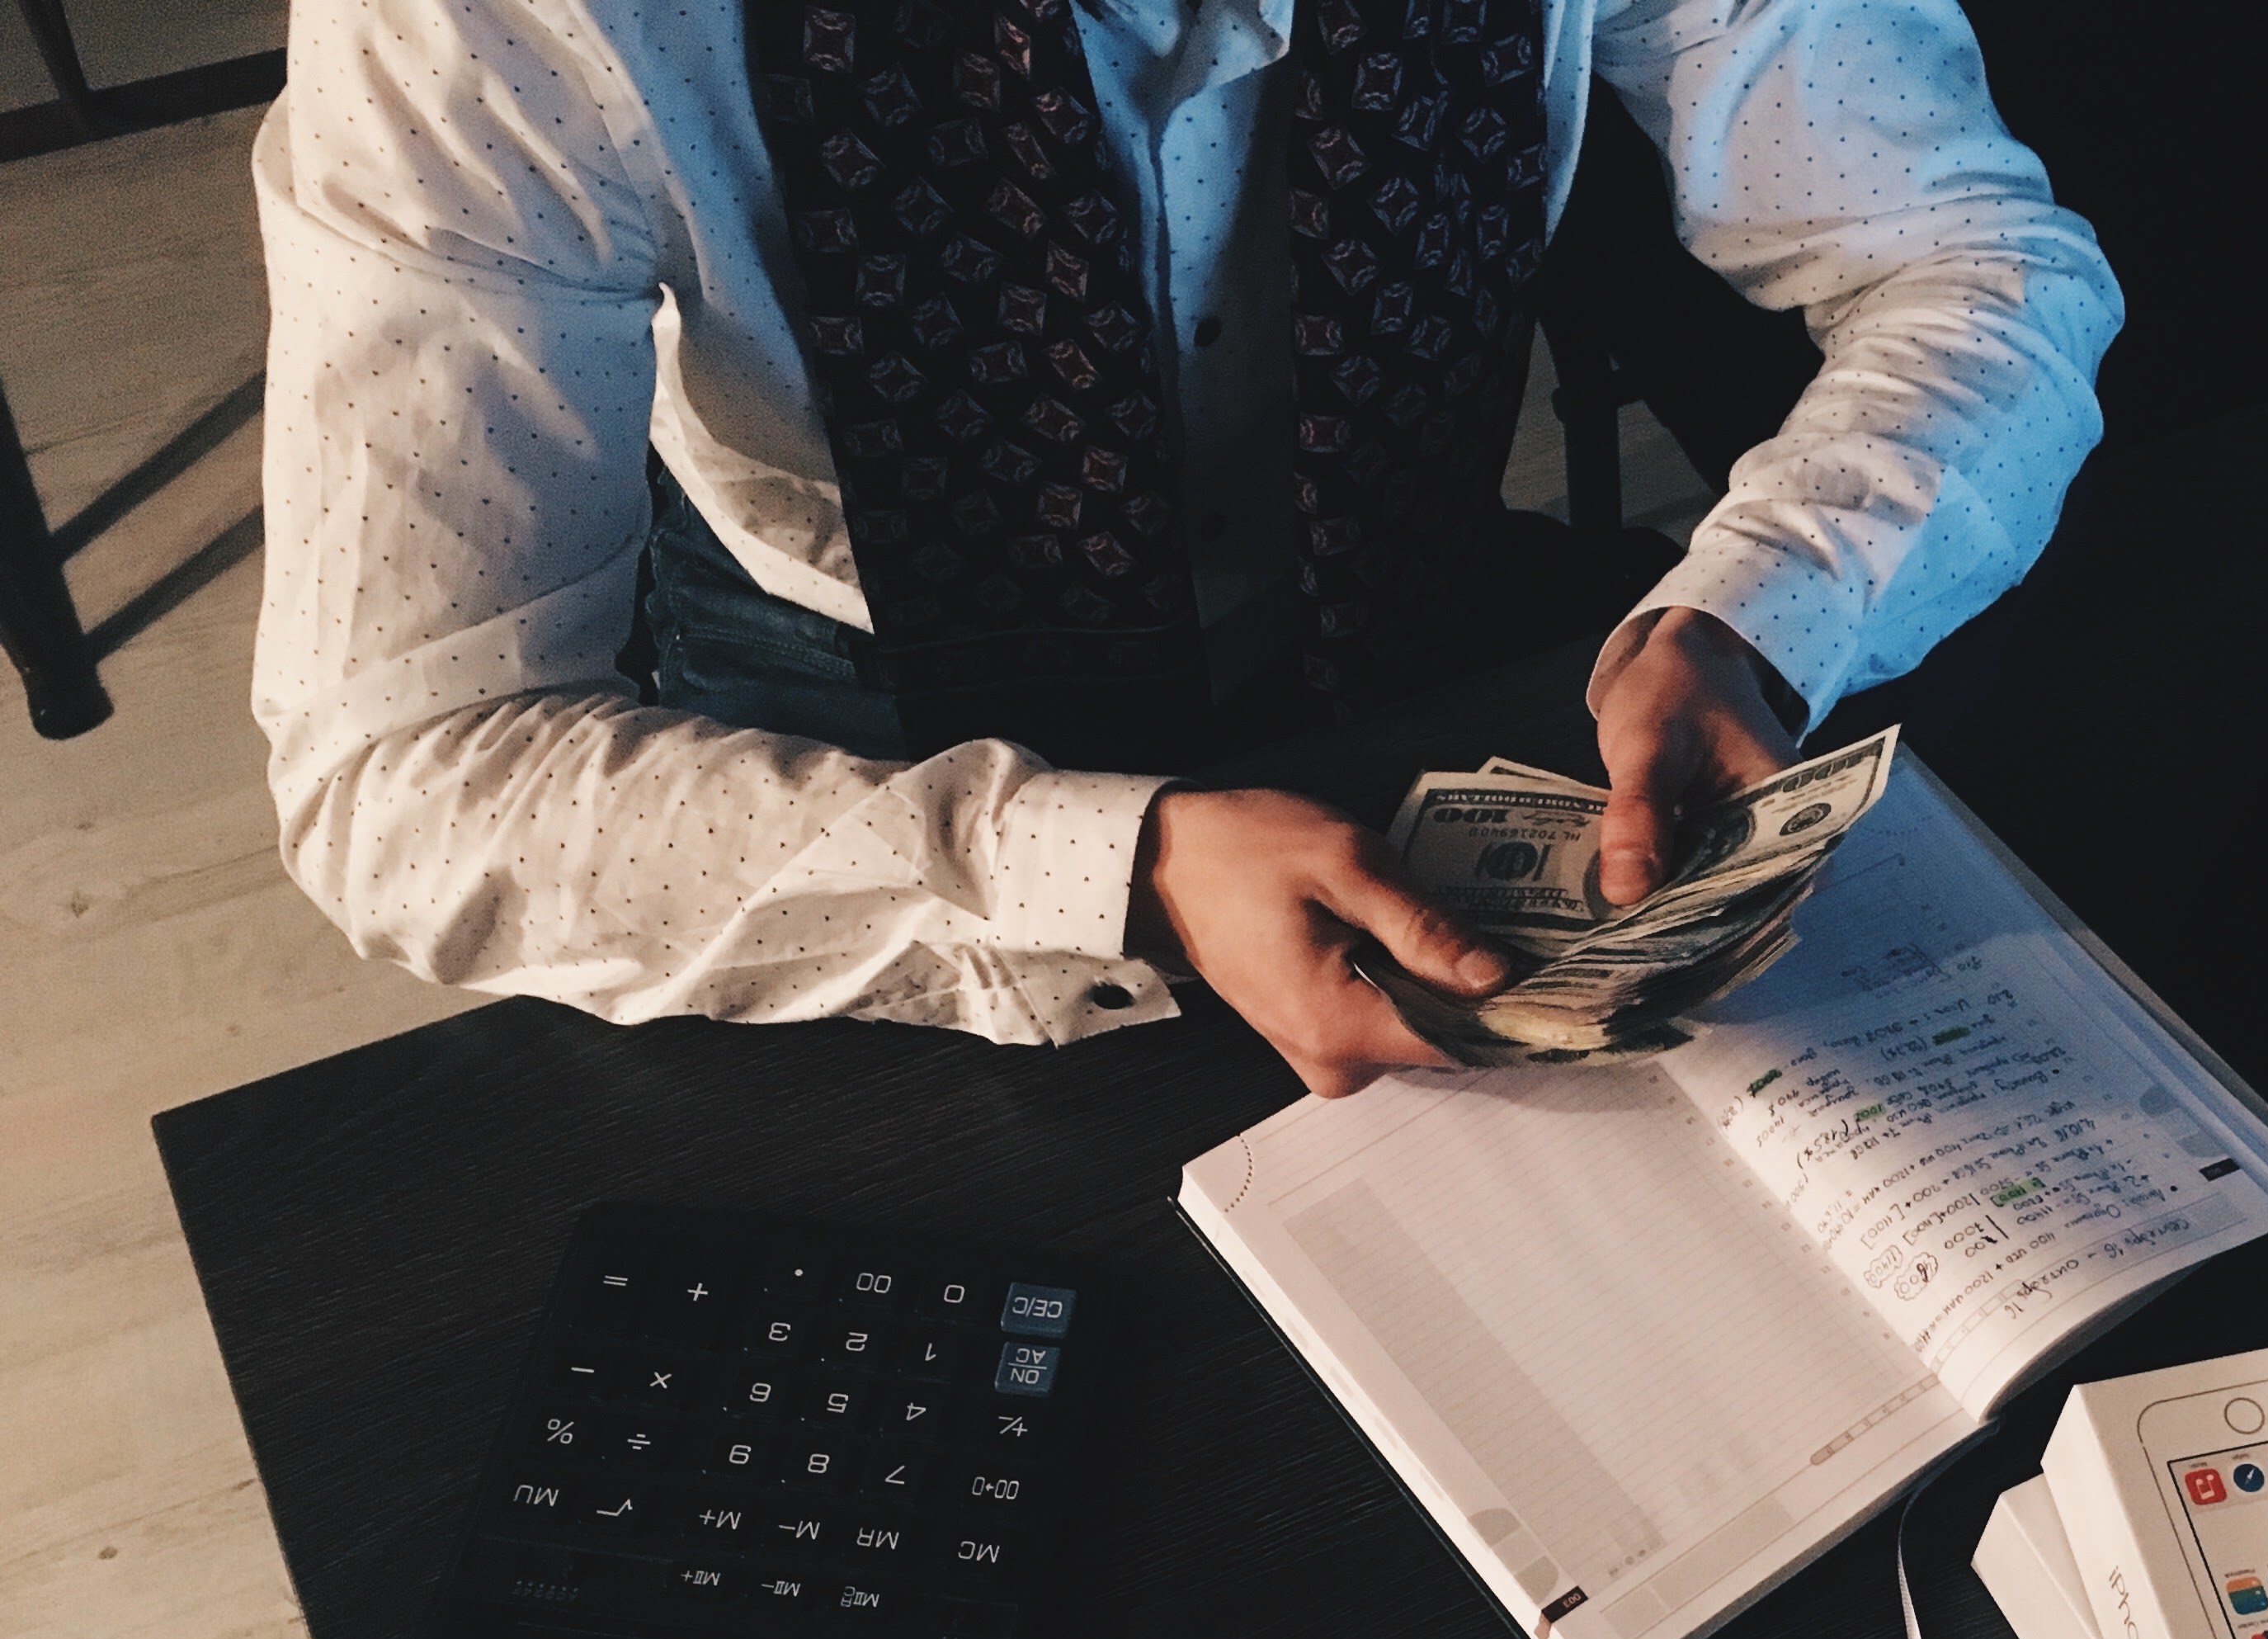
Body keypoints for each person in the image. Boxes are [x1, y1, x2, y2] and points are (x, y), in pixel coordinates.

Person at [252, 0, 2120, 1096]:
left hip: (1430, 628)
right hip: (855, 746)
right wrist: (1103, 867)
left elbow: (1979, 267)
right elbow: (400, 775)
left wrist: (1767, 609)